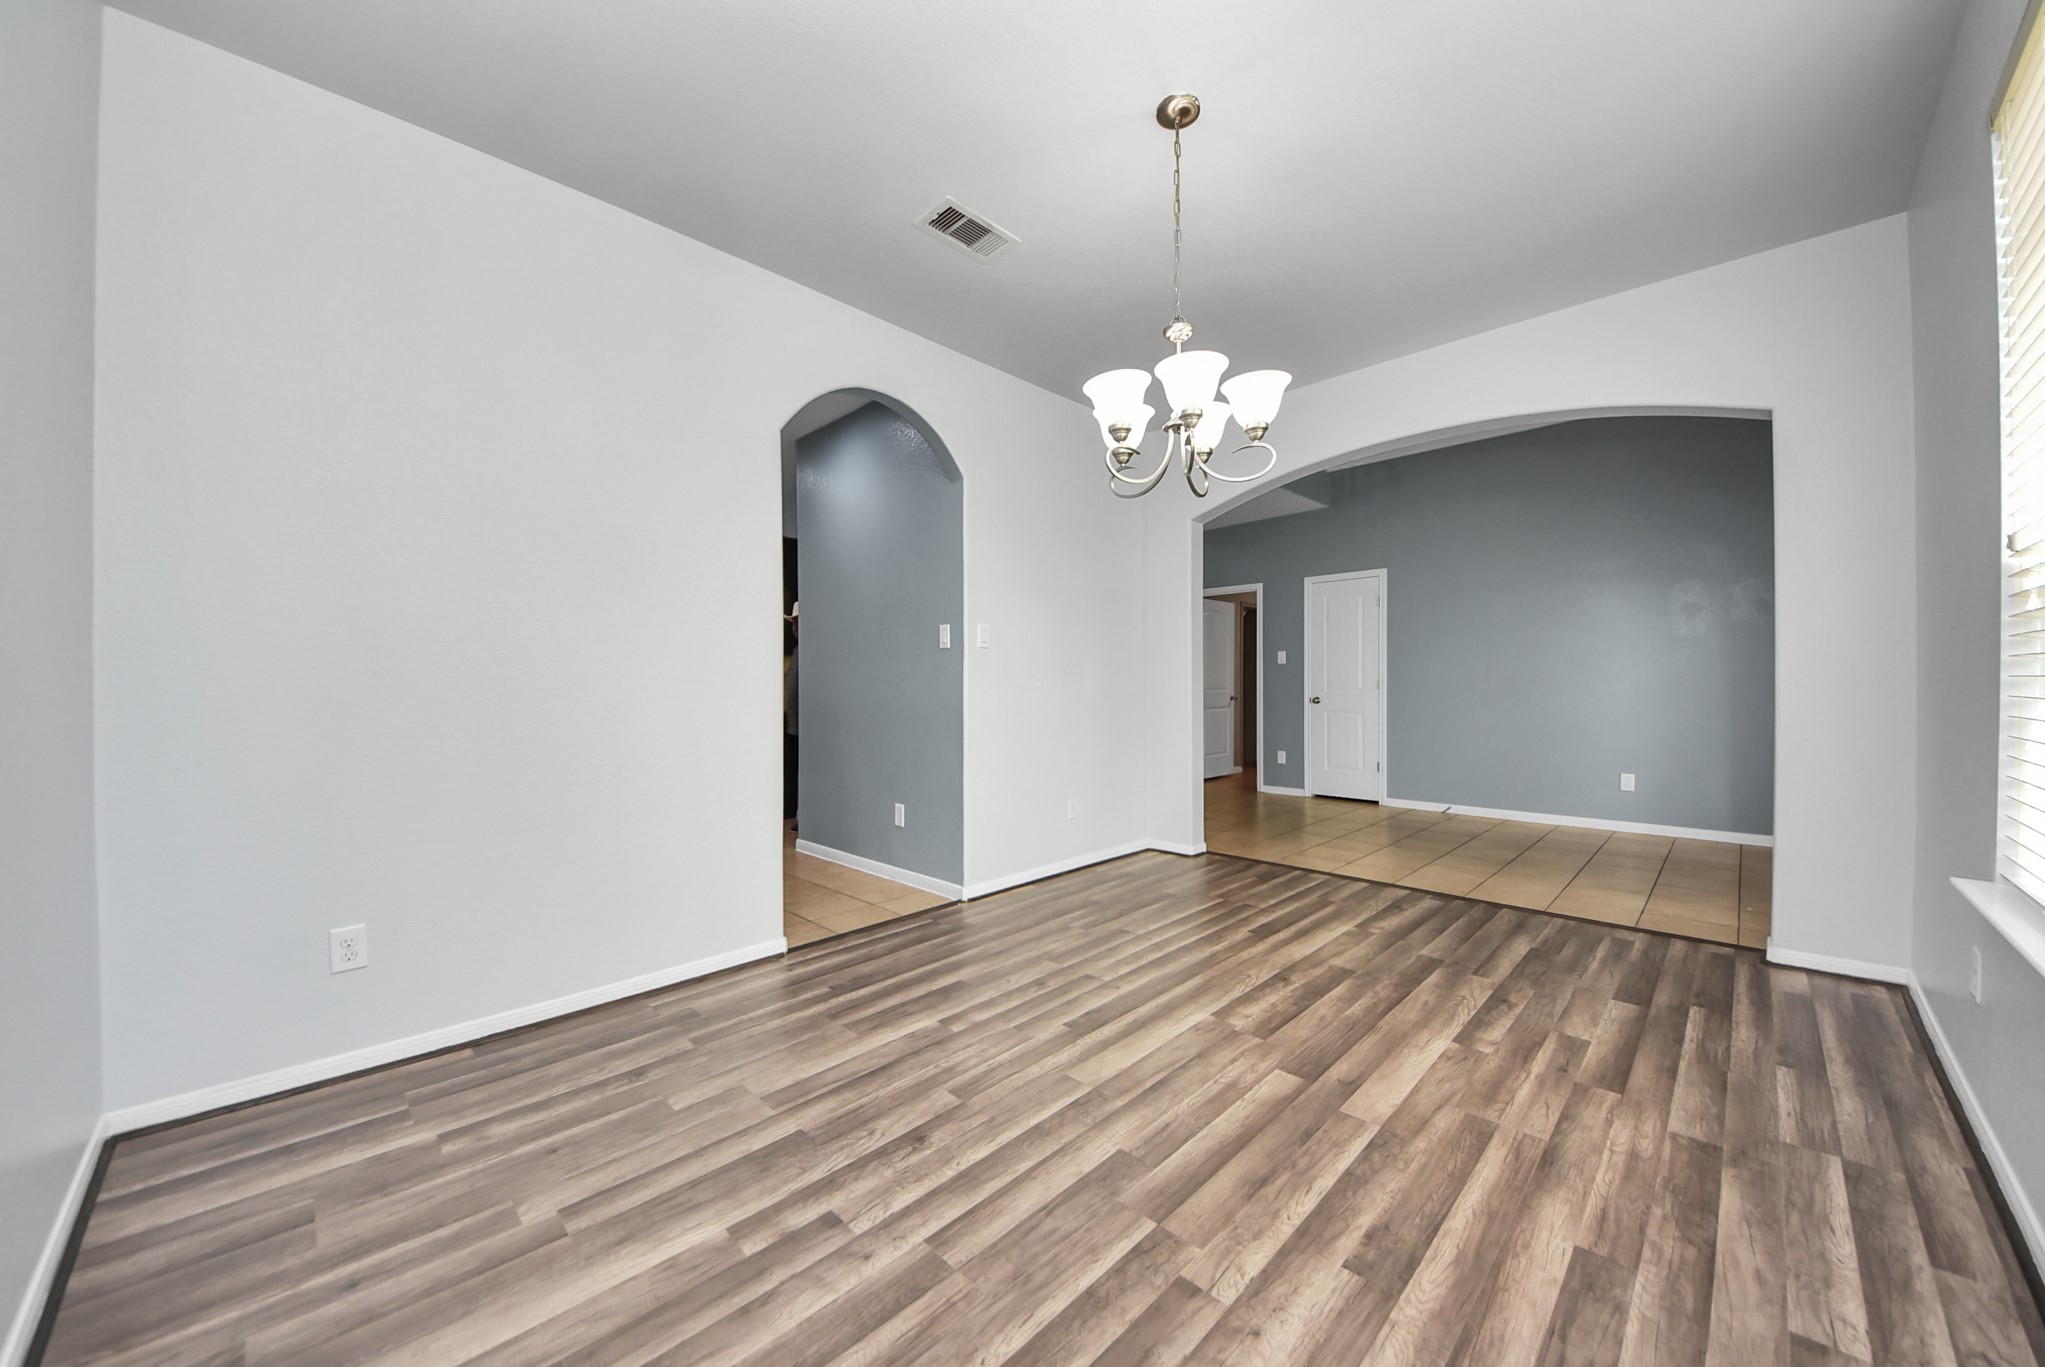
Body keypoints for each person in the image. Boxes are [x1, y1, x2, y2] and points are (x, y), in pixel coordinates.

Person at [783, 602, 799, 825]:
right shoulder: (798, 650)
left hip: (802, 724)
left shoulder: (810, 652)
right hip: (794, 723)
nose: (794, 627)